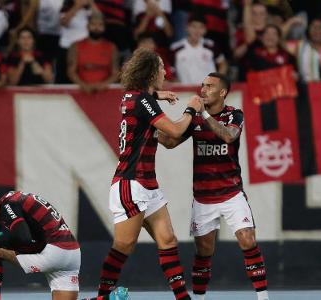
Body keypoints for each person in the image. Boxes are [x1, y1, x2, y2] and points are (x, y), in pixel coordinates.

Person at [96, 48, 201, 300]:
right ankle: (101, 297)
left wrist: (194, 124)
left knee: (168, 240)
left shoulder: (135, 97)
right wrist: (191, 110)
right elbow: (174, 131)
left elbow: (169, 141)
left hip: (147, 184)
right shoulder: (143, 101)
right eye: (162, 67)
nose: (166, 71)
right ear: (152, 71)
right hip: (130, 183)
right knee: (124, 245)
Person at [158, 73, 269, 300]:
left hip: (231, 193)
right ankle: (199, 298)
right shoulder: (194, 118)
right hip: (203, 197)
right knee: (204, 251)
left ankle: (263, 298)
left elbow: (229, 136)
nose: (203, 89)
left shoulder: (234, 115)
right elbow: (171, 142)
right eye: (202, 85)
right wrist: (149, 129)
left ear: (222, 92)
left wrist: (204, 113)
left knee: (248, 240)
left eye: (209, 86)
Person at [0, 191, 81, 300]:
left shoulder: (7, 204)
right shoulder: (13, 200)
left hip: (54, 252)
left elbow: (23, 237)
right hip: (72, 254)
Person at [67, 12, 118, 93]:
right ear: (87, 26)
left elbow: (115, 73)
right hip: (82, 92)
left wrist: (104, 85)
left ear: (104, 27)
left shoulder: (111, 47)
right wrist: (83, 85)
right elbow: (71, 71)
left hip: (105, 93)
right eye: (93, 24)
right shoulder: (76, 46)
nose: (96, 27)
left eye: (100, 25)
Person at [171, 14, 227, 85]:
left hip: (208, 92)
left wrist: (217, 81)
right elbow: (170, 71)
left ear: (205, 30)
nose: (197, 30)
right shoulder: (175, 49)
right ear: (187, 28)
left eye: (201, 27)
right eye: (193, 26)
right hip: (185, 93)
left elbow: (223, 64)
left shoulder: (211, 46)